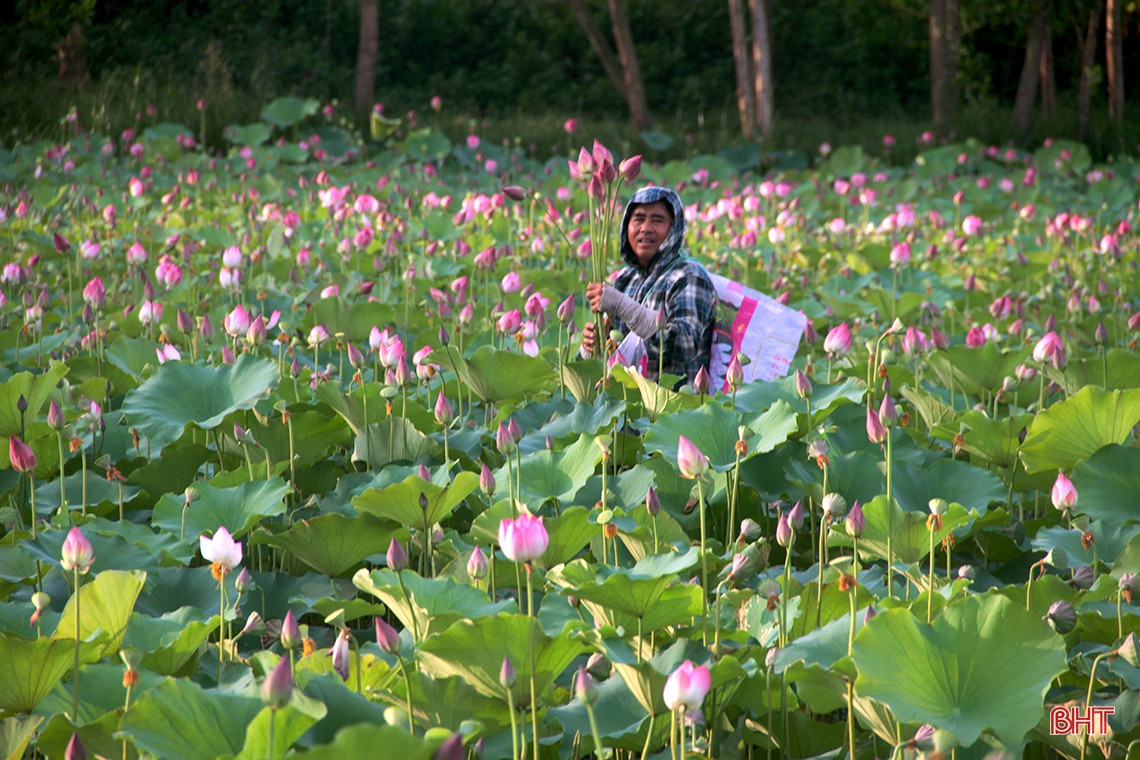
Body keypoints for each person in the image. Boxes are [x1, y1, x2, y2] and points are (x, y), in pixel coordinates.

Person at [580, 186, 716, 386]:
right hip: (627, 400)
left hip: (673, 399)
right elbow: (621, 351)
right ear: (626, 226)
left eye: (657, 220)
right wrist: (597, 346)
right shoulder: (625, 278)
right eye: (638, 219)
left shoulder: (689, 275)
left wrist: (622, 306)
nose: (646, 228)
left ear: (674, 227)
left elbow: (685, 344)